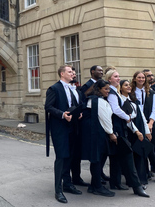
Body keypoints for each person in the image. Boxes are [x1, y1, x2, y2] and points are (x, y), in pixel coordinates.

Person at [105, 69, 149, 197]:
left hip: (121, 128)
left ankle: (115, 182)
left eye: (119, 76)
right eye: (116, 76)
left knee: (116, 157)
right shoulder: (112, 93)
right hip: (118, 130)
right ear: (109, 79)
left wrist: (134, 128)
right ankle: (137, 187)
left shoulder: (116, 92)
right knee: (128, 157)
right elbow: (116, 110)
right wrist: (127, 117)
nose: (118, 78)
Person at [45, 65, 83, 204]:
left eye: (73, 72)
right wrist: (62, 115)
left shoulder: (73, 89)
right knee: (61, 158)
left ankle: (67, 184)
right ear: (62, 74)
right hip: (60, 128)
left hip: (73, 128)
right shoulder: (54, 88)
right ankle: (58, 190)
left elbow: (76, 105)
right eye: (69, 72)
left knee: (70, 157)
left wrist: (79, 114)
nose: (73, 74)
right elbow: (48, 107)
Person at [81, 80, 115, 197]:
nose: (108, 91)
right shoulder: (97, 101)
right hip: (97, 133)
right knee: (97, 159)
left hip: (95, 133)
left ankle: (93, 185)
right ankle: (97, 187)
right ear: (99, 89)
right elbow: (105, 119)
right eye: (106, 89)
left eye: (109, 89)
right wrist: (111, 133)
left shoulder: (94, 100)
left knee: (97, 159)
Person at [119, 79, 153, 188]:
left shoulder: (132, 100)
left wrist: (147, 131)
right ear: (120, 88)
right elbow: (127, 120)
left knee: (140, 156)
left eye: (129, 85)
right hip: (129, 131)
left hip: (139, 130)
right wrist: (136, 131)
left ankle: (141, 179)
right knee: (131, 158)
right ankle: (133, 181)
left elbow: (142, 116)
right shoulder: (122, 101)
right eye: (125, 85)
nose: (129, 87)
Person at [131, 71, 155, 182]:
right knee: (140, 150)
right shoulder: (131, 92)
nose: (141, 79)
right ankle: (144, 173)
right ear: (134, 79)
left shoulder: (151, 92)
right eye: (139, 77)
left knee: (150, 149)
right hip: (138, 124)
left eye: (143, 77)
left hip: (151, 125)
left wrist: (150, 123)